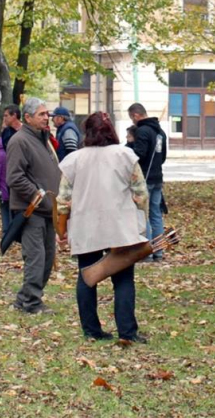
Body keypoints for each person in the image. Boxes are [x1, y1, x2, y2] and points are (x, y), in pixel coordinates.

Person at [57, 112, 149, 342]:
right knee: (124, 279)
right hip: (120, 226)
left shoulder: (74, 160)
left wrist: (62, 228)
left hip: (85, 225)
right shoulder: (125, 156)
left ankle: (91, 330)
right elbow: (140, 192)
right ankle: (127, 331)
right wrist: (142, 221)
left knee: (87, 276)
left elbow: (63, 199)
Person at [7, 97, 61, 314]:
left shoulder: (43, 138)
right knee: (36, 258)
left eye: (47, 114)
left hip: (48, 210)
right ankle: (31, 302)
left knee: (47, 258)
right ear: (27, 117)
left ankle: (25, 298)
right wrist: (38, 195)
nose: (46, 117)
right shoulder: (20, 141)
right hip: (31, 210)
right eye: (41, 114)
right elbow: (15, 177)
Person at [128, 102, 167, 260]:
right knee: (156, 215)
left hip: (144, 177)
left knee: (143, 215)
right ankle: (159, 251)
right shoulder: (160, 132)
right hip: (157, 176)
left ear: (136, 115)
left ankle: (147, 252)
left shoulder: (143, 131)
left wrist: (129, 149)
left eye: (132, 118)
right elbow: (163, 156)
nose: (132, 122)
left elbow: (139, 154)